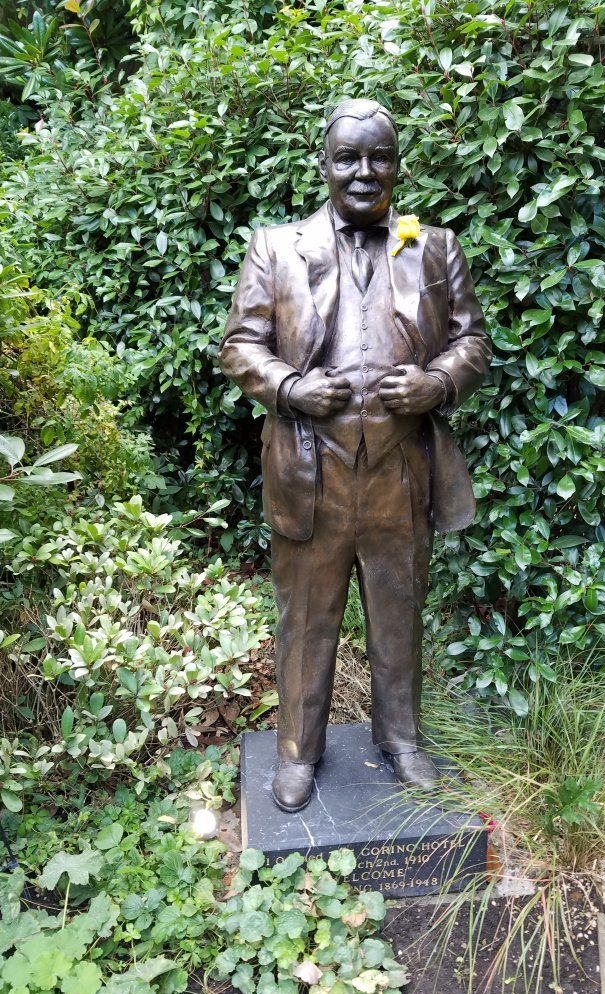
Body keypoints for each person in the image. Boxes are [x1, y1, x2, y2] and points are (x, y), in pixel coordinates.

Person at [218, 98, 490, 813]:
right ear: (324, 164)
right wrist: (291, 386)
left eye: (379, 156)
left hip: (401, 475)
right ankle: (297, 750)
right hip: (312, 472)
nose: (364, 171)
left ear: (397, 165)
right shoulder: (276, 248)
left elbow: (473, 342)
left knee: (400, 614)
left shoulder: (434, 246)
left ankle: (401, 737)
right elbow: (239, 346)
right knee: (306, 619)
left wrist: (437, 381)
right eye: (348, 157)